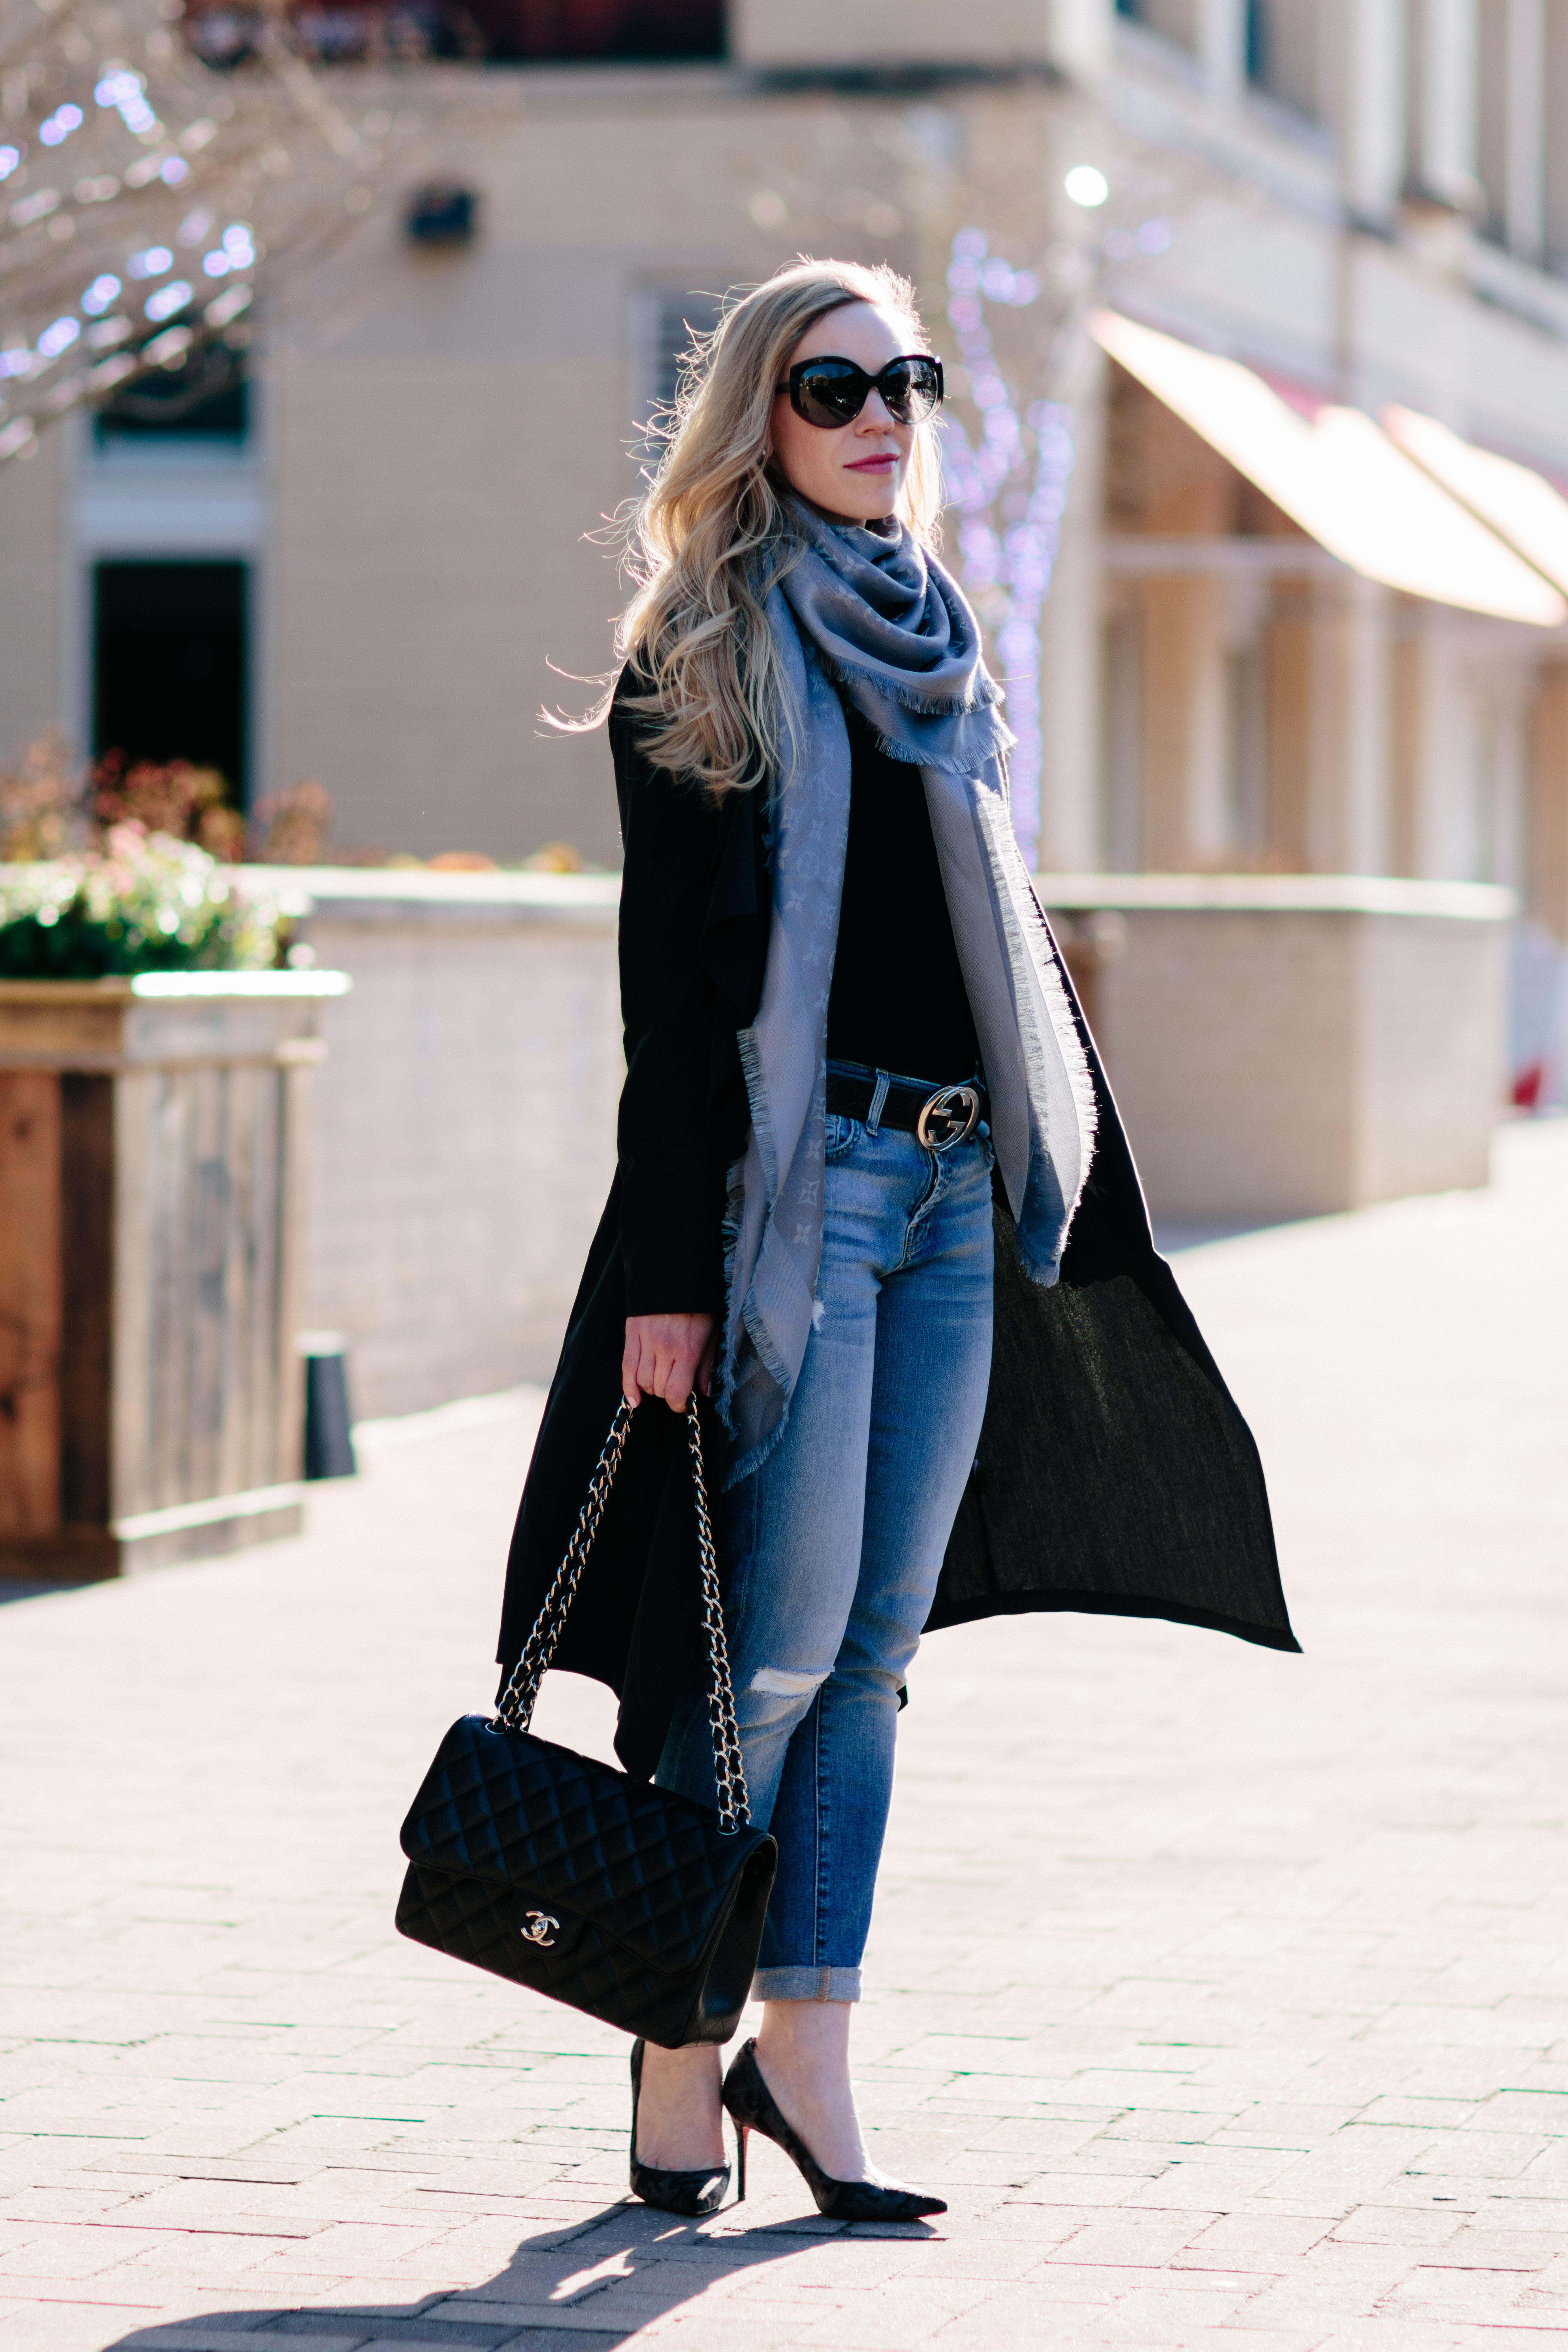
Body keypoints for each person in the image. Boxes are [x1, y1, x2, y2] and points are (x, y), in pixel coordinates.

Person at [496, 257, 1297, 2224]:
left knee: (873, 1656)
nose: (880, 414)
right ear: (757, 415)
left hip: (952, 1199)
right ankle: (678, 2058)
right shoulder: (702, 651)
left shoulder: (942, 639)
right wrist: (673, 1280)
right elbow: (674, 1009)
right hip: (806, 1203)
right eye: (833, 382)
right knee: (763, 1657)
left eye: (906, 380)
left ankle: (809, 2058)